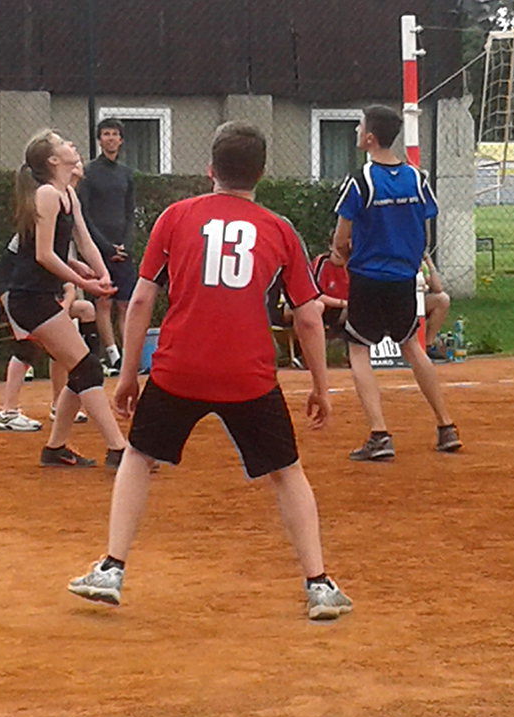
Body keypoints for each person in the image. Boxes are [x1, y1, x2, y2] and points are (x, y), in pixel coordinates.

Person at [68, 121, 353, 621]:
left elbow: (141, 300)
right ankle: (318, 584)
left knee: (139, 456)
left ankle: (111, 568)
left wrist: (130, 374)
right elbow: (309, 316)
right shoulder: (279, 229)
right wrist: (320, 387)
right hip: (248, 374)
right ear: (261, 174)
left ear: (210, 170)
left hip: (179, 368)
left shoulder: (176, 217)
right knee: (287, 472)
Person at [333, 105, 462, 459]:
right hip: (404, 277)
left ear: (369, 138)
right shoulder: (417, 179)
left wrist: (344, 256)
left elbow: (341, 239)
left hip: (368, 277)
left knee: (358, 349)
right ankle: (446, 426)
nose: (356, 131)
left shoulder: (361, 181)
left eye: (360, 127)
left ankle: (379, 433)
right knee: (412, 346)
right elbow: (423, 230)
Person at [4, 129, 126, 468]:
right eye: (62, 143)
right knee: (87, 366)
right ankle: (118, 448)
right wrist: (81, 280)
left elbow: (83, 241)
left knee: (81, 368)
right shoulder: (46, 194)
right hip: (29, 298)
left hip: (43, 295)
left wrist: (102, 274)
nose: (71, 145)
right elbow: (43, 254)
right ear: (53, 160)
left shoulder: (68, 193)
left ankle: (55, 448)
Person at [0, 164, 95, 431]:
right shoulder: (45, 207)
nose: (77, 164)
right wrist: (77, 282)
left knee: (63, 342)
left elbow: (60, 258)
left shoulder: (66, 203)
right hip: (16, 288)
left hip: (42, 289)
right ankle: (7, 412)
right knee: (29, 346)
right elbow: (41, 256)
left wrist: (76, 274)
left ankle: (58, 404)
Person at [78, 118, 136, 375]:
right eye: (106, 134)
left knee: (125, 304)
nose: (111, 138)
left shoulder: (126, 174)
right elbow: (85, 215)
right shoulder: (89, 172)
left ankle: (130, 356)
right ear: (99, 140)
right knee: (103, 302)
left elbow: (130, 213)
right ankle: (113, 356)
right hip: (99, 249)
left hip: (124, 250)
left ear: (121, 140)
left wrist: (126, 244)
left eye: (115, 134)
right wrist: (106, 246)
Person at [421, 254, 451, 361]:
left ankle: (428, 345)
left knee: (442, 300)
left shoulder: (420, 265)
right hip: (396, 302)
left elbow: (437, 288)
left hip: (416, 303)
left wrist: (429, 263)